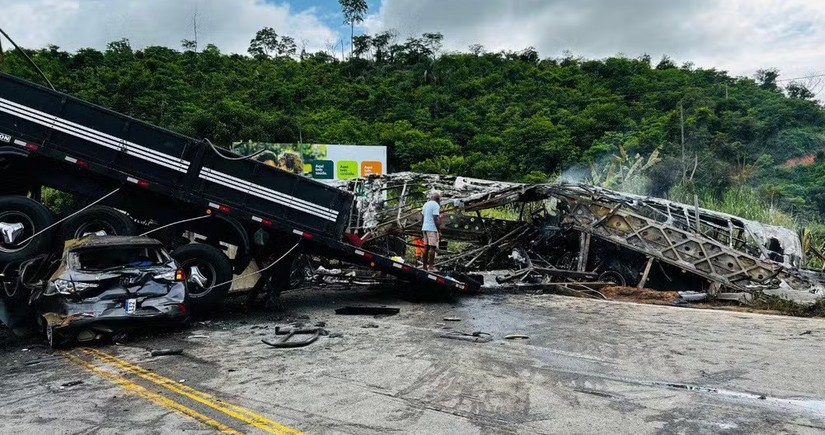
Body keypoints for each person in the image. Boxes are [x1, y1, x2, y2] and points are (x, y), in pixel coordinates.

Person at [421, 191, 441, 271]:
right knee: (432, 248)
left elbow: (422, 217)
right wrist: (438, 230)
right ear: (438, 199)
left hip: (425, 227)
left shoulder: (426, 204)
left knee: (426, 247)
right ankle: (431, 267)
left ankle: (424, 266)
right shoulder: (435, 205)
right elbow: (435, 218)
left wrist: (423, 227)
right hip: (432, 228)